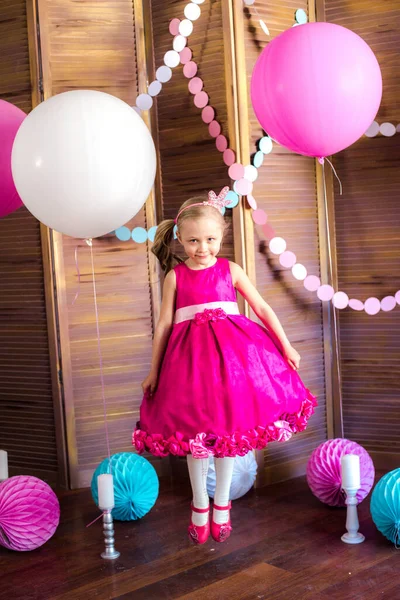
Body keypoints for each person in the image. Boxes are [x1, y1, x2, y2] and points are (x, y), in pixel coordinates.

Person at [132, 187, 317, 545]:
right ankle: (199, 503)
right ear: (179, 239)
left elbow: (262, 308)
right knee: (195, 434)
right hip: (189, 367)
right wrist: (154, 371)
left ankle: (222, 503)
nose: (203, 249)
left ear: (222, 236)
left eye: (211, 239)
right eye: (193, 241)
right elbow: (164, 326)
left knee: (230, 433)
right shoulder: (176, 277)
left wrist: (286, 344)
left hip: (234, 363)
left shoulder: (229, 269)